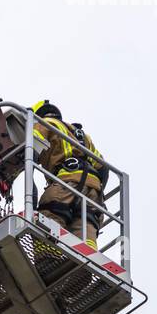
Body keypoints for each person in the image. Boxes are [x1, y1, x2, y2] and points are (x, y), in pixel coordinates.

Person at [30, 100, 107, 249]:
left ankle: (47, 257)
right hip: (93, 189)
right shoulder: (82, 136)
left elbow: (30, 150)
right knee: (86, 225)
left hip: (66, 181)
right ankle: (85, 266)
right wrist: (97, 193)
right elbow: (103, 168)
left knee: (50, 212)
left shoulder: (44, 124)